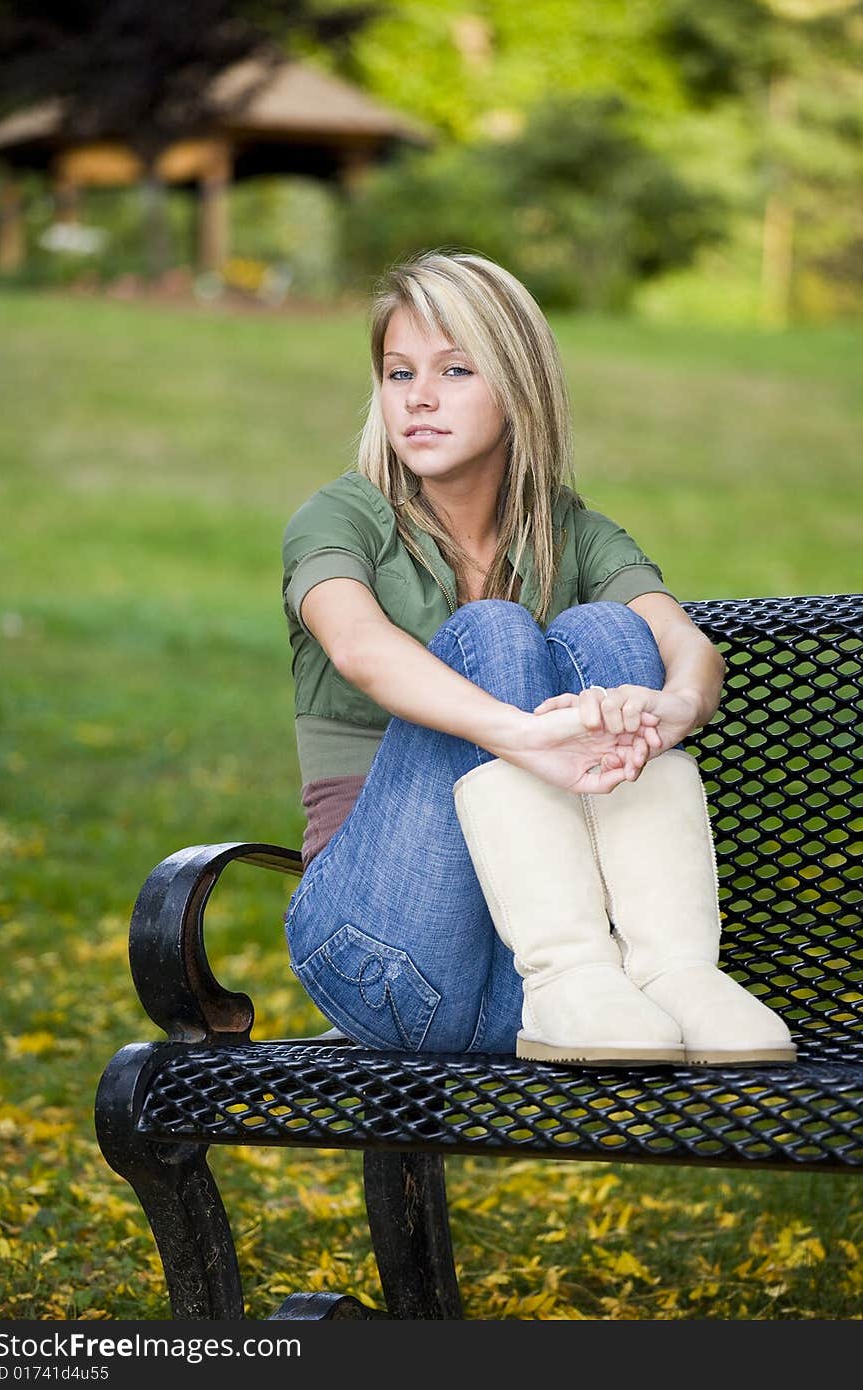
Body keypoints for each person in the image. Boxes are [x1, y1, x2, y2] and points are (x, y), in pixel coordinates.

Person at [280, 248, 795, 1067]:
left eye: (454, 370)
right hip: (386, 958)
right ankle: (583, 969)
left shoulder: (573, 533)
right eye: (397, 372)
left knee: (610, 636)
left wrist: (673, 711)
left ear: (518, 386)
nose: (418, 398)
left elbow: (682, 644)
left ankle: (671, 970)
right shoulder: (341, 518)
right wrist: (519, 735)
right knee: (494, 634)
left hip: (561, 999)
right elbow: (360, 647)